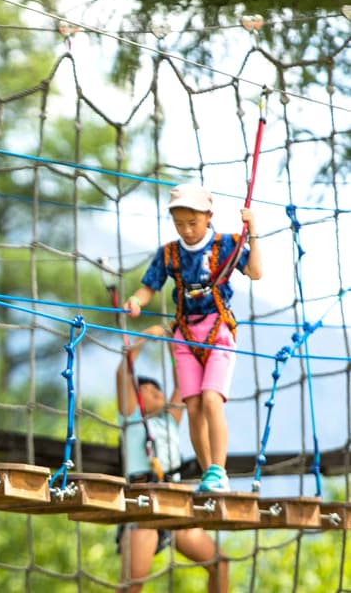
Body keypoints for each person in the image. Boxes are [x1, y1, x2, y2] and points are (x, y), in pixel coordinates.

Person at [124, 183, 262, 492]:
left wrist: (253, 230)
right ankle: (207, 473)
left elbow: (255, 272)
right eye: (179, 224)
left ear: (208, 216)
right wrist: (136, 300)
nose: (186, 230)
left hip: (217, 331)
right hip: (184, 334)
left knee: (212, 399)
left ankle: (219, 469)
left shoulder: (226, 245)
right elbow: (150, 285)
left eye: (193, 223)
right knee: (194, 405)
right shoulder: (170, 253)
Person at [115, 325, 229, 593]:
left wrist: (171, 341)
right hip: (143, 505)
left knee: (219, 563)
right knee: (132, 585)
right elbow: (123, 372)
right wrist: (146, 336)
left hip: (174, 501)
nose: (156, 391)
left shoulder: (169, 420)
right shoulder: (131, 417)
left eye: (158, 390)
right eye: (147, 388)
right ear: (135, 395)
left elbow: (182, 383)